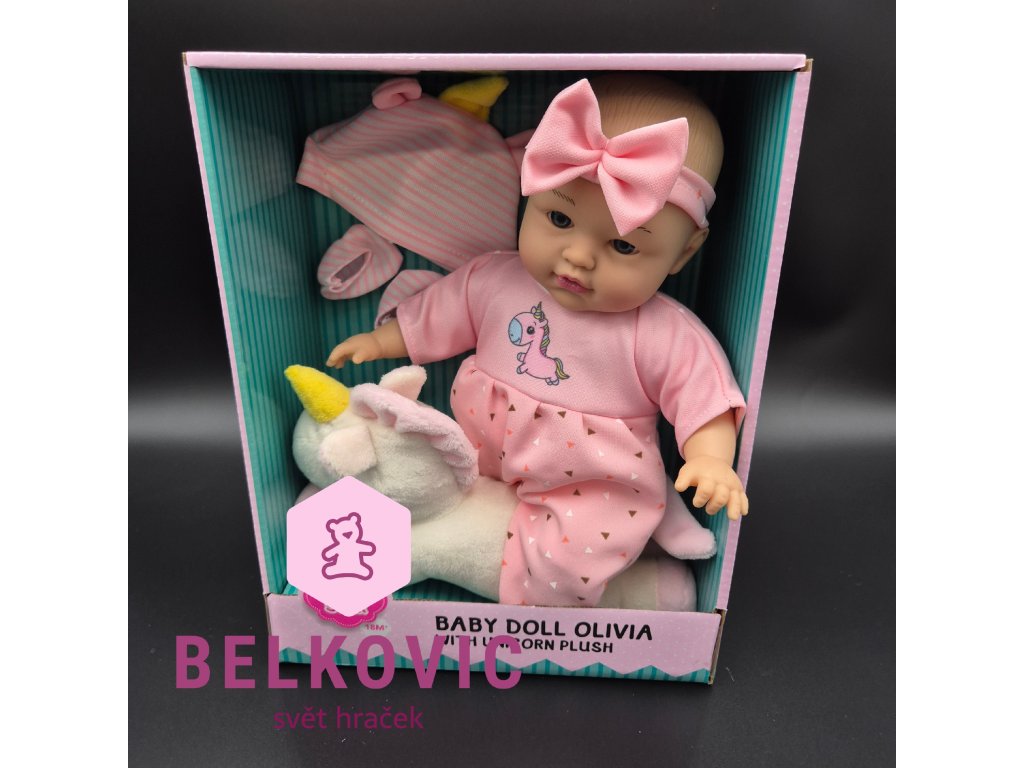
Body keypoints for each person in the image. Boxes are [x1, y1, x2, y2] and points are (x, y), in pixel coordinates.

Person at [326, 75, 748, 608]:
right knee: (418, 470)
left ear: (684, 253)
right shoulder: (496, 278)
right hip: (476, 451)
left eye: (622, 245)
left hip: (590, 483)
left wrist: (711, 460)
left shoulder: (662, 332)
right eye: (559, 218)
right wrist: (382, 340)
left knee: (571, 555)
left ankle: (632, 591)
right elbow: (445, 311)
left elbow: (704, 397)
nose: (578, 256)